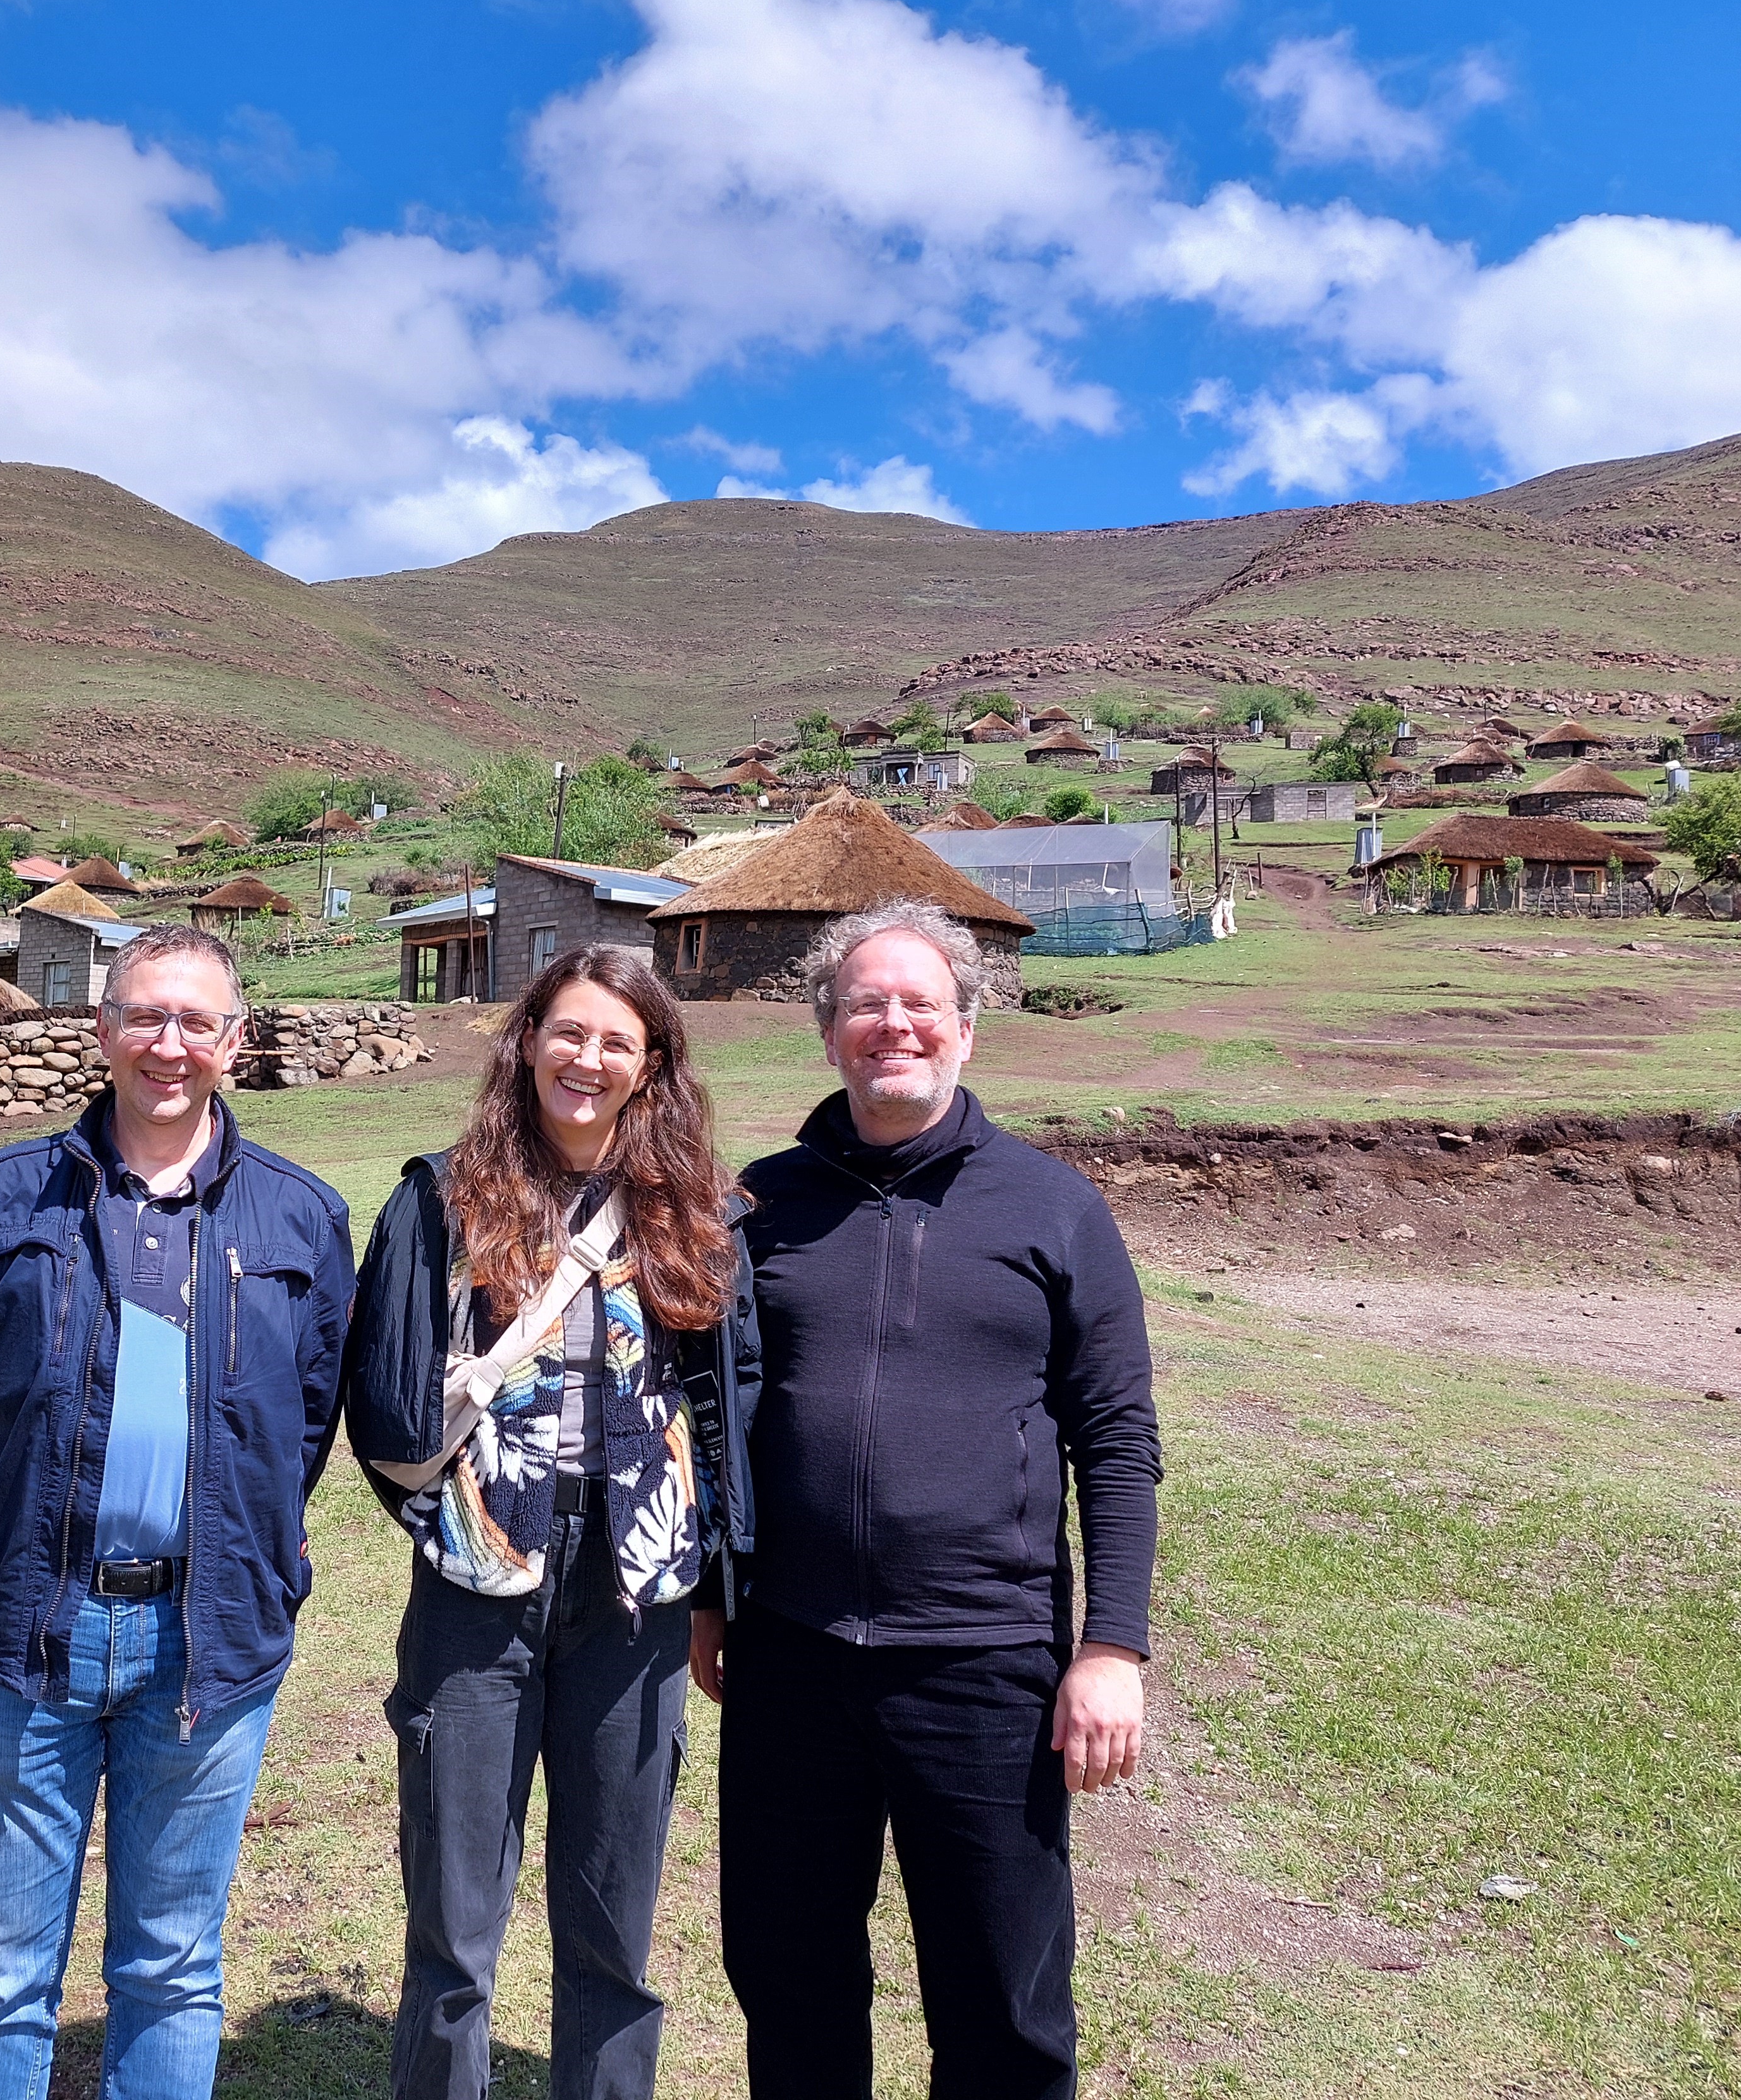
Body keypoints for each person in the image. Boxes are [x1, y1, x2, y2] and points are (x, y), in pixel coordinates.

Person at [702, 900, 1161, 2100]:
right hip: (789, 1659)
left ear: (968, 1028)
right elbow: (716, 1420)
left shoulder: (1054, 1208)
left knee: (1000, 1997)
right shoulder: (762, 1206)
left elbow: (1118, 1439)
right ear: (829, 1031)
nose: (892, 1024)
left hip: (983, 1661)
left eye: (919, 1004)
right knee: (790, 1979)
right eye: (866, 1004)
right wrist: (711, 1599)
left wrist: (1111, 1646)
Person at [0, 924, 356, 2099]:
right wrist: (21, 1532)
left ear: (237, 1039)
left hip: (207, 1643)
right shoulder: (9, 1193)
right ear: (103, 1029)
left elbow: (300, 1428)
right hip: (24, 1633)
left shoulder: (302, 1217)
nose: (171, 1045)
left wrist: (237, 1548)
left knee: (171, 1967)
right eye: (147, 1017)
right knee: (2, 1973)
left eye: (197, 1023)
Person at [346, 945, 761, 2100]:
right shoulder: (439, 1199)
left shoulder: (700, 1214)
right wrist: (455, 1525)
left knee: (612, 1931)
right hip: (476, 1597)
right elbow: (382, 1407)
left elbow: (727, 1407)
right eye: (569, 1032)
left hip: (637, 1602)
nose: (589, 1059)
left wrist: (711, 1574)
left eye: (617, 1042)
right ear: (527, 1039)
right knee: (453, 1933)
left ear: (653, 1065)